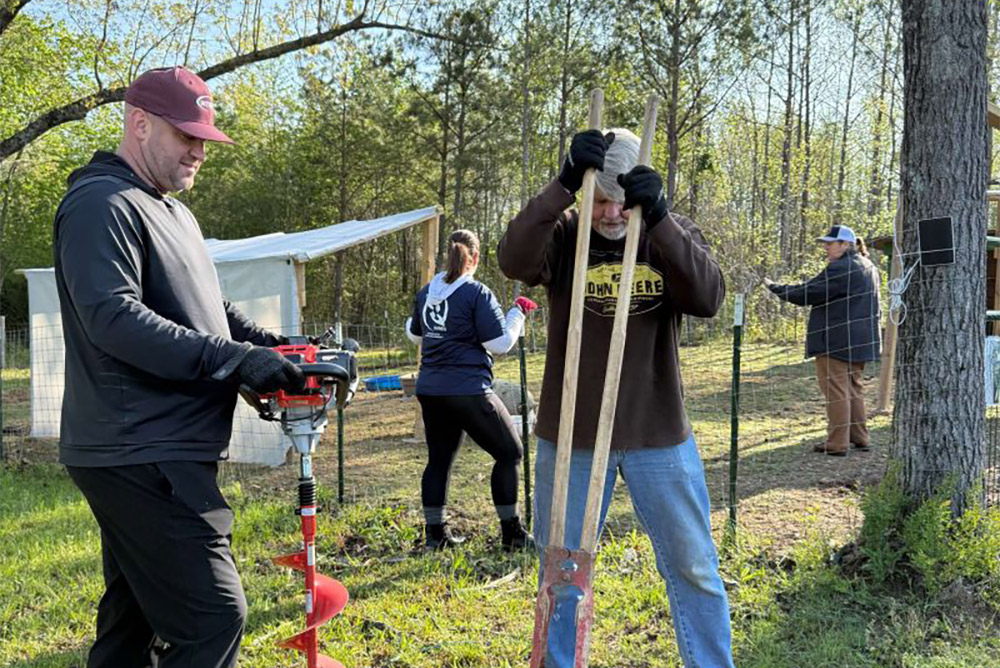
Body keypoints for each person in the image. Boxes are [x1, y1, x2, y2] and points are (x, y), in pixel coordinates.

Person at [54, 66, 307, 668]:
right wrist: (231, 360)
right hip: (138, 448)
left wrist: (272, 345)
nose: (199, 150)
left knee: (132, 621)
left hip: (162, 445)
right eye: (185, 135)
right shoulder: (101, 203)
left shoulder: (170, 211)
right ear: (139, 125)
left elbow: (209, 311)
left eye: (204, 138)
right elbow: (112, 317)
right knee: (213, 618)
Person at [498, 129, 735, 668]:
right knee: (563, 572)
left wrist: (661, 218)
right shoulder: (565, 235)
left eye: (620, 201)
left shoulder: (661, 232)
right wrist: (561, 186)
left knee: (694, 565)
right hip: (573, 438)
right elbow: (513, 257)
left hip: (658, 433)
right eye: (599, 198)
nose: (610, 213)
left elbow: (709, 297)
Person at [405, 229, 538, 551]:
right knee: (510, 453)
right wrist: (517, 313)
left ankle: (435, 537)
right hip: (467, 389)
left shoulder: (427, 292)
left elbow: (414, 334)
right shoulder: (476, 292)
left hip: (431, 389)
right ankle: (513, 534)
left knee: (438, 461)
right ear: (475, 258)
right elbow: (500, 343)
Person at [764, 225, 881, 456]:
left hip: (836, 339)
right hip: (861, 339)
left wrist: (777, 288)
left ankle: (837, 443)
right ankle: (860, 437)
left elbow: (809, 292)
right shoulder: (868, 265)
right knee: (853, 388)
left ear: (845, 244)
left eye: (830, 243)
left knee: (836, 390)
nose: (826, 247)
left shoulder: (841, 268)